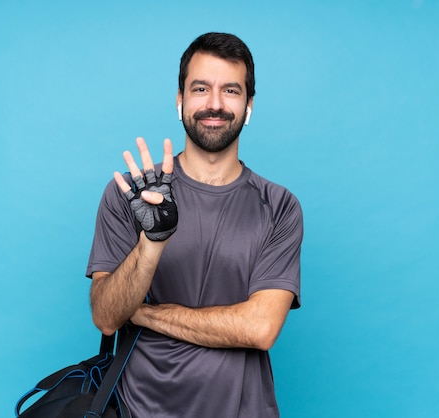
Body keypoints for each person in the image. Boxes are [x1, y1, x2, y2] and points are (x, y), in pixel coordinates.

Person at [86, 32, 303, 418]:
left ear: (249, 105)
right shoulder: (132, 194)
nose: (215, 104)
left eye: (231, 91)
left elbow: (260, 328)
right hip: (137, 410)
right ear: (180, 100)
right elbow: (105, 316)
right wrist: (151, 243)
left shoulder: (279, 206)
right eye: (201, 88)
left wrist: (144, 312)